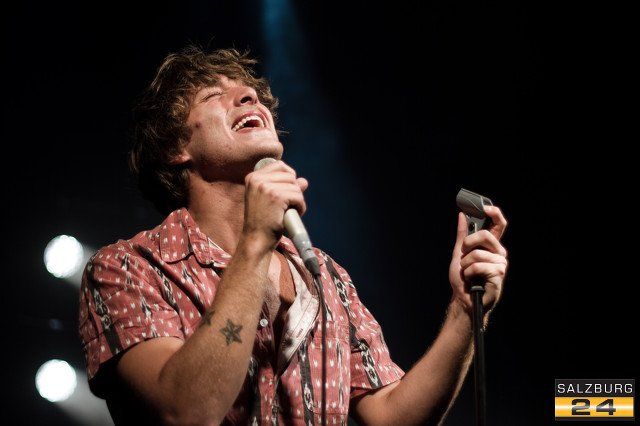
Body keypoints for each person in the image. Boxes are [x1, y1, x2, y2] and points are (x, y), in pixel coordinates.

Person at [78, 46, 509, 425]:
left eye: (251, 92)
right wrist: (255, 241)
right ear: (176, 149)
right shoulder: (128, 268)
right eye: (213, 95)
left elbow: (392, 416)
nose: (249, 96)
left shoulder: (327, 277)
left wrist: (463, 312)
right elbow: (185, 412)